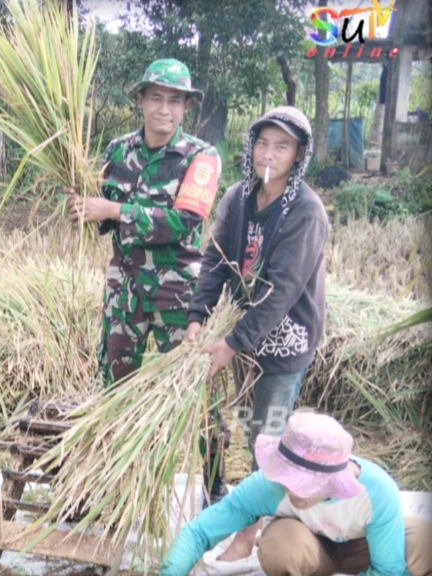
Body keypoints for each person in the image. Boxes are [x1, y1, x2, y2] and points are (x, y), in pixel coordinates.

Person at [186, 106, 329, 552]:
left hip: (283, 342)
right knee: (244, 426)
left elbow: (280, 292)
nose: (270, 153)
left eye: (282, 146)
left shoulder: (305, 212)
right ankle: (242, 508)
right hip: (241, 335)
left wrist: (231, 343)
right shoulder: (238, 197)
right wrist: (197, 317)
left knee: (266, 438)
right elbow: (214, 261)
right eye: (263, 143)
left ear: (299, 154)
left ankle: (250, 533)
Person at [66, 58, 221, 387]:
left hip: (176, 291)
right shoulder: (117, 151)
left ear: (186, 106)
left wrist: (113, 210)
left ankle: (205, 441)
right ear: (140, 100)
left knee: (191, 386)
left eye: (175, 100)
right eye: (156, 98)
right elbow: (101, 213)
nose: (165, 109)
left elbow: (186, 221)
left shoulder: (201, 156)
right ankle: (116, 439)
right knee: (114, 385)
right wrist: (82, 207)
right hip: (123, 289)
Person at [161, 412, 432, 576]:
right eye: (286, 478)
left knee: (426, 541)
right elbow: (198, 532)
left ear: (334, 481)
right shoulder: (269, 486)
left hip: (365, 549)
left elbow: (387, 570)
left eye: (302, 483)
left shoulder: (378, 493)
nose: (290, 489)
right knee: (279, 547)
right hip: (311, 552)